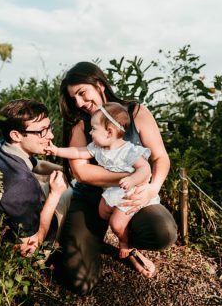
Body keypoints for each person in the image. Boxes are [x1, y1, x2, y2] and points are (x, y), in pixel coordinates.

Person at [53, 62, 178, 293]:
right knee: (80, 282)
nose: (79, 103)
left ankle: (127, 245)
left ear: (99, 84)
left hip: (129, 196)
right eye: (74, 99)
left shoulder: (135, 112)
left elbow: (161, 157)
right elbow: (82, 172)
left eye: (82, 93)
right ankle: (116, 249)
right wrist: (132, 175)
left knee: (163, 232)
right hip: (91, 199)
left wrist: (152, 188)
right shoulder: (80, 123)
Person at [46, 102, 153, 276]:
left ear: (109, 132)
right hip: (112, 191)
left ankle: (126, 243)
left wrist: (132, 179)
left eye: (94, 128)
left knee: (116, 224)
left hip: (129, 193)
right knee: (103, 211)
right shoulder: (98, 148)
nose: (90, 132)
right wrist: (57, 150)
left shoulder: (128, 151)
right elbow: (78, 152)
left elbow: (145, 169)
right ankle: (121, 224)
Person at [0, 98, 68, 256]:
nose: (51, 135)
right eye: (42, 131)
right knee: (72, 192)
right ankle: (56, 247)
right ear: (16, 135)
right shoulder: (20, 183)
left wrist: (67, 171)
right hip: (32, 249)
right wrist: (55, 194)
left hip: (22, 213)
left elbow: (37, 164)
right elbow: (29, 250)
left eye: (49, 127)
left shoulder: (4, 147)